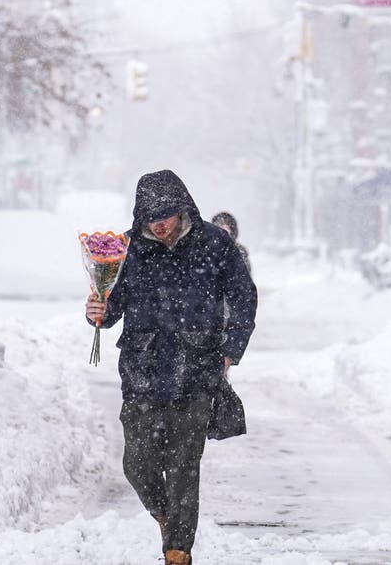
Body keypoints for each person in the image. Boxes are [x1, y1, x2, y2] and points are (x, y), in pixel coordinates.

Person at [85, 170, 257, 565]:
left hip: (197, 370)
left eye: (165, 215)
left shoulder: (214, 245)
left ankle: (178, 550)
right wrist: (98, 309)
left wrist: (231, 348)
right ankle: (164, 515)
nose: (159, 224)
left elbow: (243, 296)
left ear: (182, 208)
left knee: (183, 466)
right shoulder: (127, 250)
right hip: (142, 370)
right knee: (137, 464)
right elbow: (112, 306)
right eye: (151, 217)